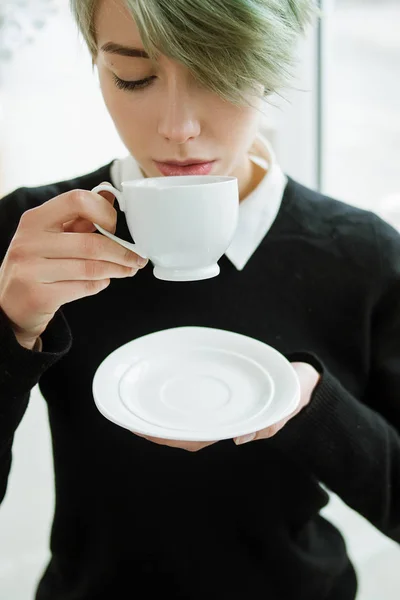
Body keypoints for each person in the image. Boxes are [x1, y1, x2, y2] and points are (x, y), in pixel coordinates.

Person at [0, 1, 399, 598]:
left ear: (273, 61)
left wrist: (317, 409)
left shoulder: (362, 254)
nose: (177, 127)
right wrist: (8, 331)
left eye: (220, 72)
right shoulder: (37, 240)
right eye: (134, 77)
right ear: (96, 63)